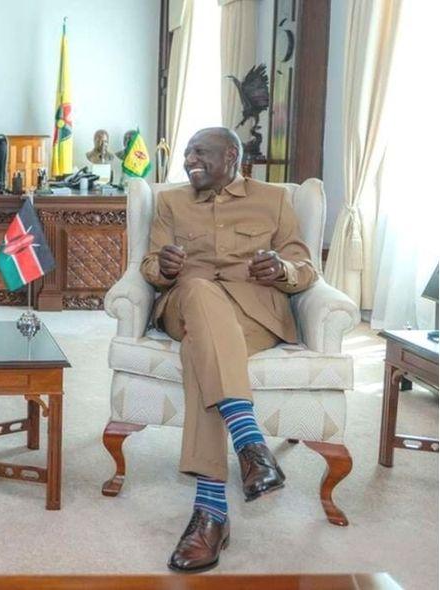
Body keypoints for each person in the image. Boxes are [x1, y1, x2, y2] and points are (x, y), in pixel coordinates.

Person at [140, 127, 317, 573]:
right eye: (187, 154)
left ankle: (211, 512)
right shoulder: (171, 202)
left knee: (201, 354)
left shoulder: (274, 199)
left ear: (232, 156)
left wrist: (282, 268)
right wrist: (162, 268)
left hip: (252, 315)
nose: (189, 160)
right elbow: (148, 263)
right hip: (185, 306)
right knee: (199, 289)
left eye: (200, 152)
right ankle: (250, 443)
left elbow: (305, 267)